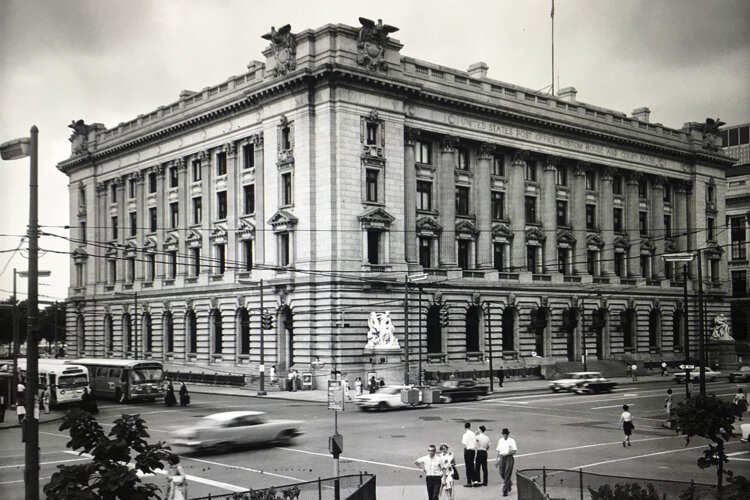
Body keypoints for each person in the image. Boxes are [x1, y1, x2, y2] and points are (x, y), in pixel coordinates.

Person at [495, 428, 517, 497]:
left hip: (509, 458)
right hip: (502, 457)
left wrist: (507, 454)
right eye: (503, 434)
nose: (504, 435)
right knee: (502, 473)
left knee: (507, 473)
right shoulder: (500, 440)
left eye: (506, 434)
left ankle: (505, 491)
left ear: (508, 434)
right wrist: (497, 460)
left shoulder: (512, 441)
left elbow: (514, 451)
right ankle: (509, 483)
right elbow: (498, 451)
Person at [461, 422, 477, 487]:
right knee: (472, 465)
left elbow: (465, 445)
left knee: (468, 466)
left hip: (467, 451)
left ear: (465, 427)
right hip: (473, 451)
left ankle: (469, 481)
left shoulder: (465, 435)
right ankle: (475, 480)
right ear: (470, 427)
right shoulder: (473, 434)